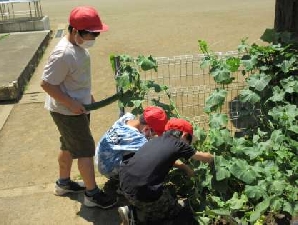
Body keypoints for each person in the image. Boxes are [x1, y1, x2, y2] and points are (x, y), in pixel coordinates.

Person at [40, 6, 117, 209]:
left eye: (96, 34)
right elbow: (46, 84)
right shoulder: (63, 54)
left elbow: (74, 78)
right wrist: (72, 103)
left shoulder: (78, 47)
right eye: (91, 34)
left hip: (77, 107)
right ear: (75, 31)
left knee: (67, 145)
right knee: (85, 151)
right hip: (68, 112)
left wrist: (85, 96)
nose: (94, 38)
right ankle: (92, 195)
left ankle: (63, 184)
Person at [118, 118, 214, 224]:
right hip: (142, 191)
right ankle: (136, 217)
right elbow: (204, 157)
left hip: (125, 183)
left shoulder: (156, 140)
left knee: (155, 192)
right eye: (189, 140)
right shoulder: (180, 144)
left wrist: (185, 168)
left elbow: (164, 158)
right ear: (184, 135)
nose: (189, 144)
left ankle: (134, 209)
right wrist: (215, 158)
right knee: (174, 211)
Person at [95, 106, 168, 179]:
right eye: (155, 133)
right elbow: (156, 155)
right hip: (109, 168)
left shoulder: (126, 119)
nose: (154, 135)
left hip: (101, 158)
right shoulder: (136, 138)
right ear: (147, 128)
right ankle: (123, 182)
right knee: (150, 161)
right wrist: (178, 165)